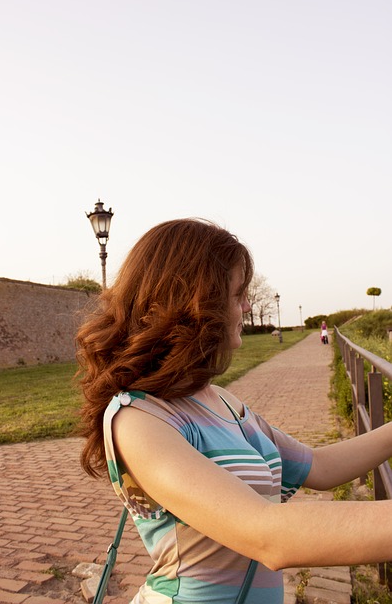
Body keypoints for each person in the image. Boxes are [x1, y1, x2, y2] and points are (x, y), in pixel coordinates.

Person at [76, 218, 392, 604]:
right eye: (237, 293)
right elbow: (268, 535)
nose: (246, 305)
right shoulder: (138, 420)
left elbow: (319, 466)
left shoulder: (221, 400)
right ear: (193, 302)